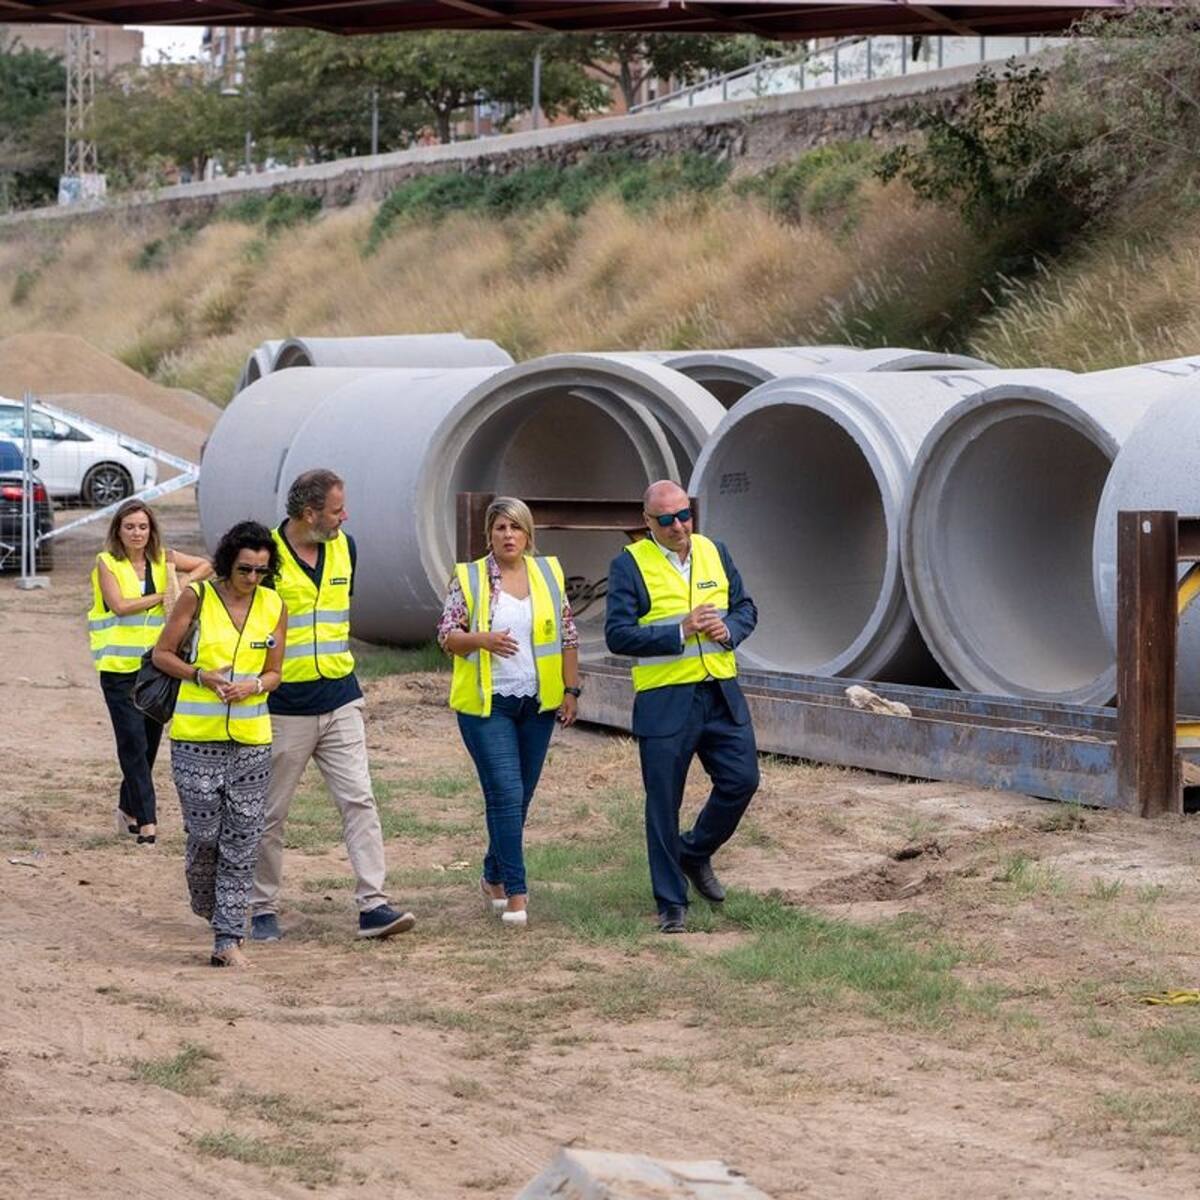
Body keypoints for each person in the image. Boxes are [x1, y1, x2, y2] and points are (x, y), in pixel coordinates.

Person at [248, 469, 415, 942]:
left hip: (341, 697)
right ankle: (261, 908)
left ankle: (374, 905)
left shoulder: (347, 548)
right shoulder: (264, 557)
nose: (346, 517)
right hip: (282, 706)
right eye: (337, 510)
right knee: (270, 813)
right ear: (309, 514)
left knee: (359, 800)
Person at [604, 480, 759, 933]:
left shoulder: (715, 551)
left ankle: (693, 852)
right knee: (663, 803)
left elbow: (746, 608)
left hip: (720, 693)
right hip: (665, 699)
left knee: (742, 781)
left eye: (684, 515)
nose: (679, 526)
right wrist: (680, 630)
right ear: (647, 521)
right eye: (667, 519)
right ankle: (671, 903)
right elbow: (618, 635)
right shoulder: (629, 564)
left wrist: (729, 630)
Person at [438, 496, 580, 927]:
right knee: (505, 792)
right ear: (489, 535)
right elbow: (446, 636)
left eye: (516, 527)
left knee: (520, 797)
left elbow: (568, 636)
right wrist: (481, 639)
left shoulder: (547, 574)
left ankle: (492, 876)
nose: (508, 535)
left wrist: (570, 690)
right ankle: (517, 895)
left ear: (528, 534)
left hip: (537, 703)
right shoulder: (470, 578)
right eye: (500, 527)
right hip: (487, 704)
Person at [152, 521, 286, 968]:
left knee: (243, 838)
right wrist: (200, 676)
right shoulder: (198, 597)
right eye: (245, 569)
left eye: (261, 570)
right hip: (196, 738)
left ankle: (228, 937)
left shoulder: (273, 604)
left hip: (252, 740)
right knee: (206, 834)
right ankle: (208, 900)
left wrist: (254, 686)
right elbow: (162, 654)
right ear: (228, 563)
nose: (253, 578)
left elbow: (275, 672)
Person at [88, 499, 211, 844]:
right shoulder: (106, 563)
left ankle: (127, 808)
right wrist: (164, 595)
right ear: (118, 531)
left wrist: (183, 584)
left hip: (156, 670)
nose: (137, 533)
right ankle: (147, 820)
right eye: (129, 527)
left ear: (151, 530)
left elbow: (206, 565)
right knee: (133, 742)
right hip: (119, 671)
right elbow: (120, 606)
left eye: (143, 527)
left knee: (148, 746)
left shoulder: (164, 559)